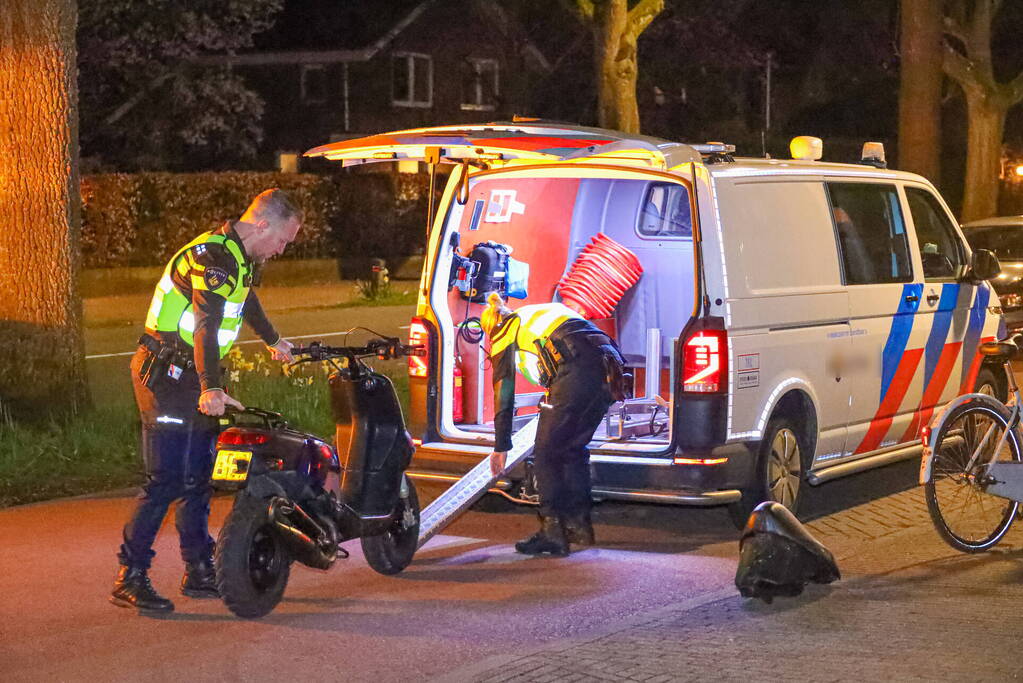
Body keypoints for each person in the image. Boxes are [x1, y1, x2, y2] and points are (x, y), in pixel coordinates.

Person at [111, 189, 301, 613]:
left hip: (190, 377)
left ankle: (198, 569)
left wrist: (273, 340)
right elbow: (205, 324)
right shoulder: (211, 257)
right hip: (168, 376)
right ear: (264, 224)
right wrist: (210, 387)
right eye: (283, 240)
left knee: (198, 478)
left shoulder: (239, 257)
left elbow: (244, 299)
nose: (282, 249)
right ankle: (131, 576)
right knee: (166, 481)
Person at [480, 292, 627, 556]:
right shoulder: (539, 312)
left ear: (491, 328)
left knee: (545, 455)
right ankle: (579, 525)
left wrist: (501, 446)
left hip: (577, 371)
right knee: (573, 449)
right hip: (611, 368)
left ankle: (553, 533)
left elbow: (503, 394)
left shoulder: (504, 332)